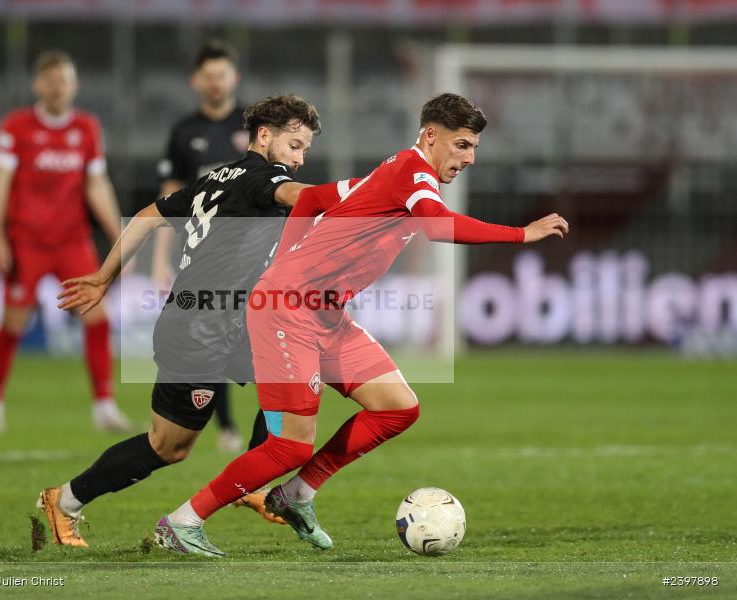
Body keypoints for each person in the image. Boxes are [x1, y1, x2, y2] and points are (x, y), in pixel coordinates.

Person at [154, 93, 570, 557]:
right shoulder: (414, 174)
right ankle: (182, 521)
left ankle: (298, 494)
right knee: (290, 447)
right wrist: (521, 233)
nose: (469, 158)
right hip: (287, 310)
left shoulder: (397, 173)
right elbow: (435, 225)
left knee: (397, 407)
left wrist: (288, 256)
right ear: (432, 136)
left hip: (325, 313)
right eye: (463, 145)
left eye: (473, 148)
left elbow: (310, 199)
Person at [36, 95, 321, 547]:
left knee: (296, 369)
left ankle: (253, 479)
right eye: (294, 144)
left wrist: (106, 276)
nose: (299, 158)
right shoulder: (264, 178)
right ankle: (65, 500)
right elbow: (300, 196)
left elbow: (149, 215)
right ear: (265, 136)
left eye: (305, 149)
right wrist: (364, 195)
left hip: (222, 322)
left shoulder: (217, 178)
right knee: (168, 446)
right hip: (197, 329)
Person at [0, 50, 131, 434]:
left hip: (71, 241)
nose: (57, 87)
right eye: (50, 80)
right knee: (13, 321)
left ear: (74, 85)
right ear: (37, 85)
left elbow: (97, 184)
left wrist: (119, 237)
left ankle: (104, 405)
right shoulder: (16, 126)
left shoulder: (86, 127)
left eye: (63, 80)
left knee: (98, 316)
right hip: (25, 241)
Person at [153, 41, 249, 454]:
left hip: (252, 255)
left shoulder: (255, 127)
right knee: (209, 336)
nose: (215, 82)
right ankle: (220, 423)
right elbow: (169, 197)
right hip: (203, 257)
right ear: (197, 81)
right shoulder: (184, 133)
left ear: (234, 78)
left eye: (222, 74)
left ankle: (253, 433)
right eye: (208, 75)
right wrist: (159, 258)